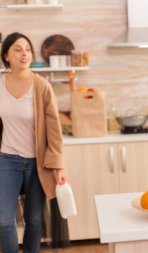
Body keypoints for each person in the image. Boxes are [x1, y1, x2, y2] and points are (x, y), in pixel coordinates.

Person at [0, 32, 65, 253]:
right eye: (17, 49)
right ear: (6, 55)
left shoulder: (41, 86)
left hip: (38, 162)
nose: (24, 53)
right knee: (3, 220)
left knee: (34, 220)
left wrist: (58, 165)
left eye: (27, 49)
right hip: (6, 160)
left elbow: (54, 130)